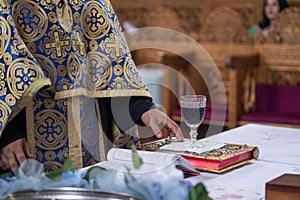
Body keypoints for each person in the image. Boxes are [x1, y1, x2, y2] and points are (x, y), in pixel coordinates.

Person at [0, 0, 183, 173]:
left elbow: (111, 62)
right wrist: (8, 135)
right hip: (29, 135)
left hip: (92, 133)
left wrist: (143, 109)